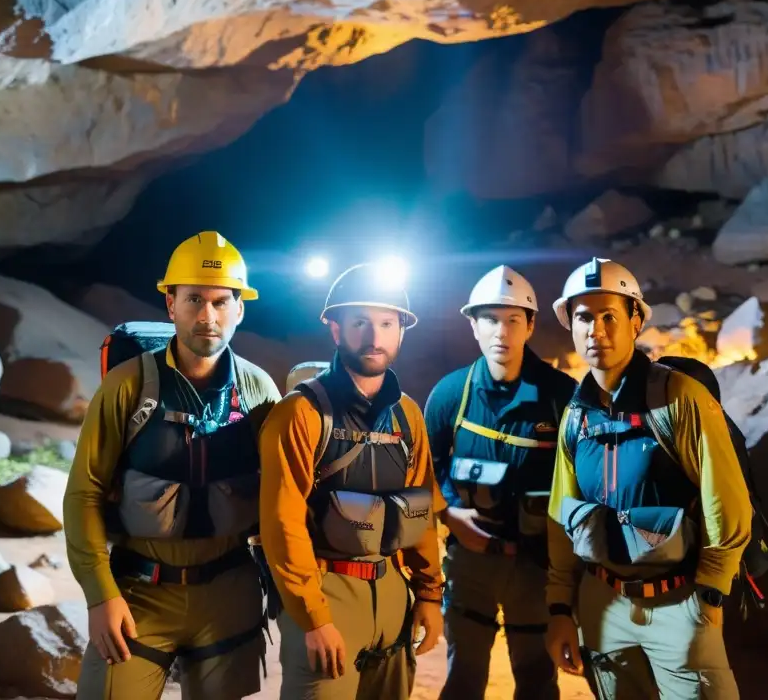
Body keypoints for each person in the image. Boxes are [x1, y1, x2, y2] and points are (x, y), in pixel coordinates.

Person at [64, 231, 282, 700]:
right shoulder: (128, 386)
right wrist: (101, 595)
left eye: (222, 302)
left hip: (229, 591)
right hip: (141, 590)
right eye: (194, 300)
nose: (208, 316)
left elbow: (283, 494)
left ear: (240, 309)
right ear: (171, 304)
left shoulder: (260, 390)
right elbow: (84, 492)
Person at [544, 257, 752, 699]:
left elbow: (726, 501)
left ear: (636, 320)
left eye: (609, 316)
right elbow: (561, 515)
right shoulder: (576, 416)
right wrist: (561, 606)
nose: (595, 331)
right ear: (570, 325)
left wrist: (711, 593)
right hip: (603, 604)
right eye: (583, 317)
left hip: (679, 601)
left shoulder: (679, 399)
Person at [258, 261, 445, 700]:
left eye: (386, 322)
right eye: (360, 321)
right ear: (336, 329)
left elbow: (420, 510)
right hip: (327, 589)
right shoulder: (299, 413)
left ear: (401, 330)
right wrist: (313, 618)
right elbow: (282, 525)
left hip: (392, 589)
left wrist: (430, 595)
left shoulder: (408, 415)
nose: (375, 336)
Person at [423, 265, 576, 700]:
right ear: (473, 325)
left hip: (537, 566)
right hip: (471, 565)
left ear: (530, 325)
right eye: (489, 319)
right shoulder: (452, 394)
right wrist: (450, 514)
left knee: (536, 679)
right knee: (465, 677)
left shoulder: (560, 396)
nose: (500, 332)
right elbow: (425, 467)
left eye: (512, 320)